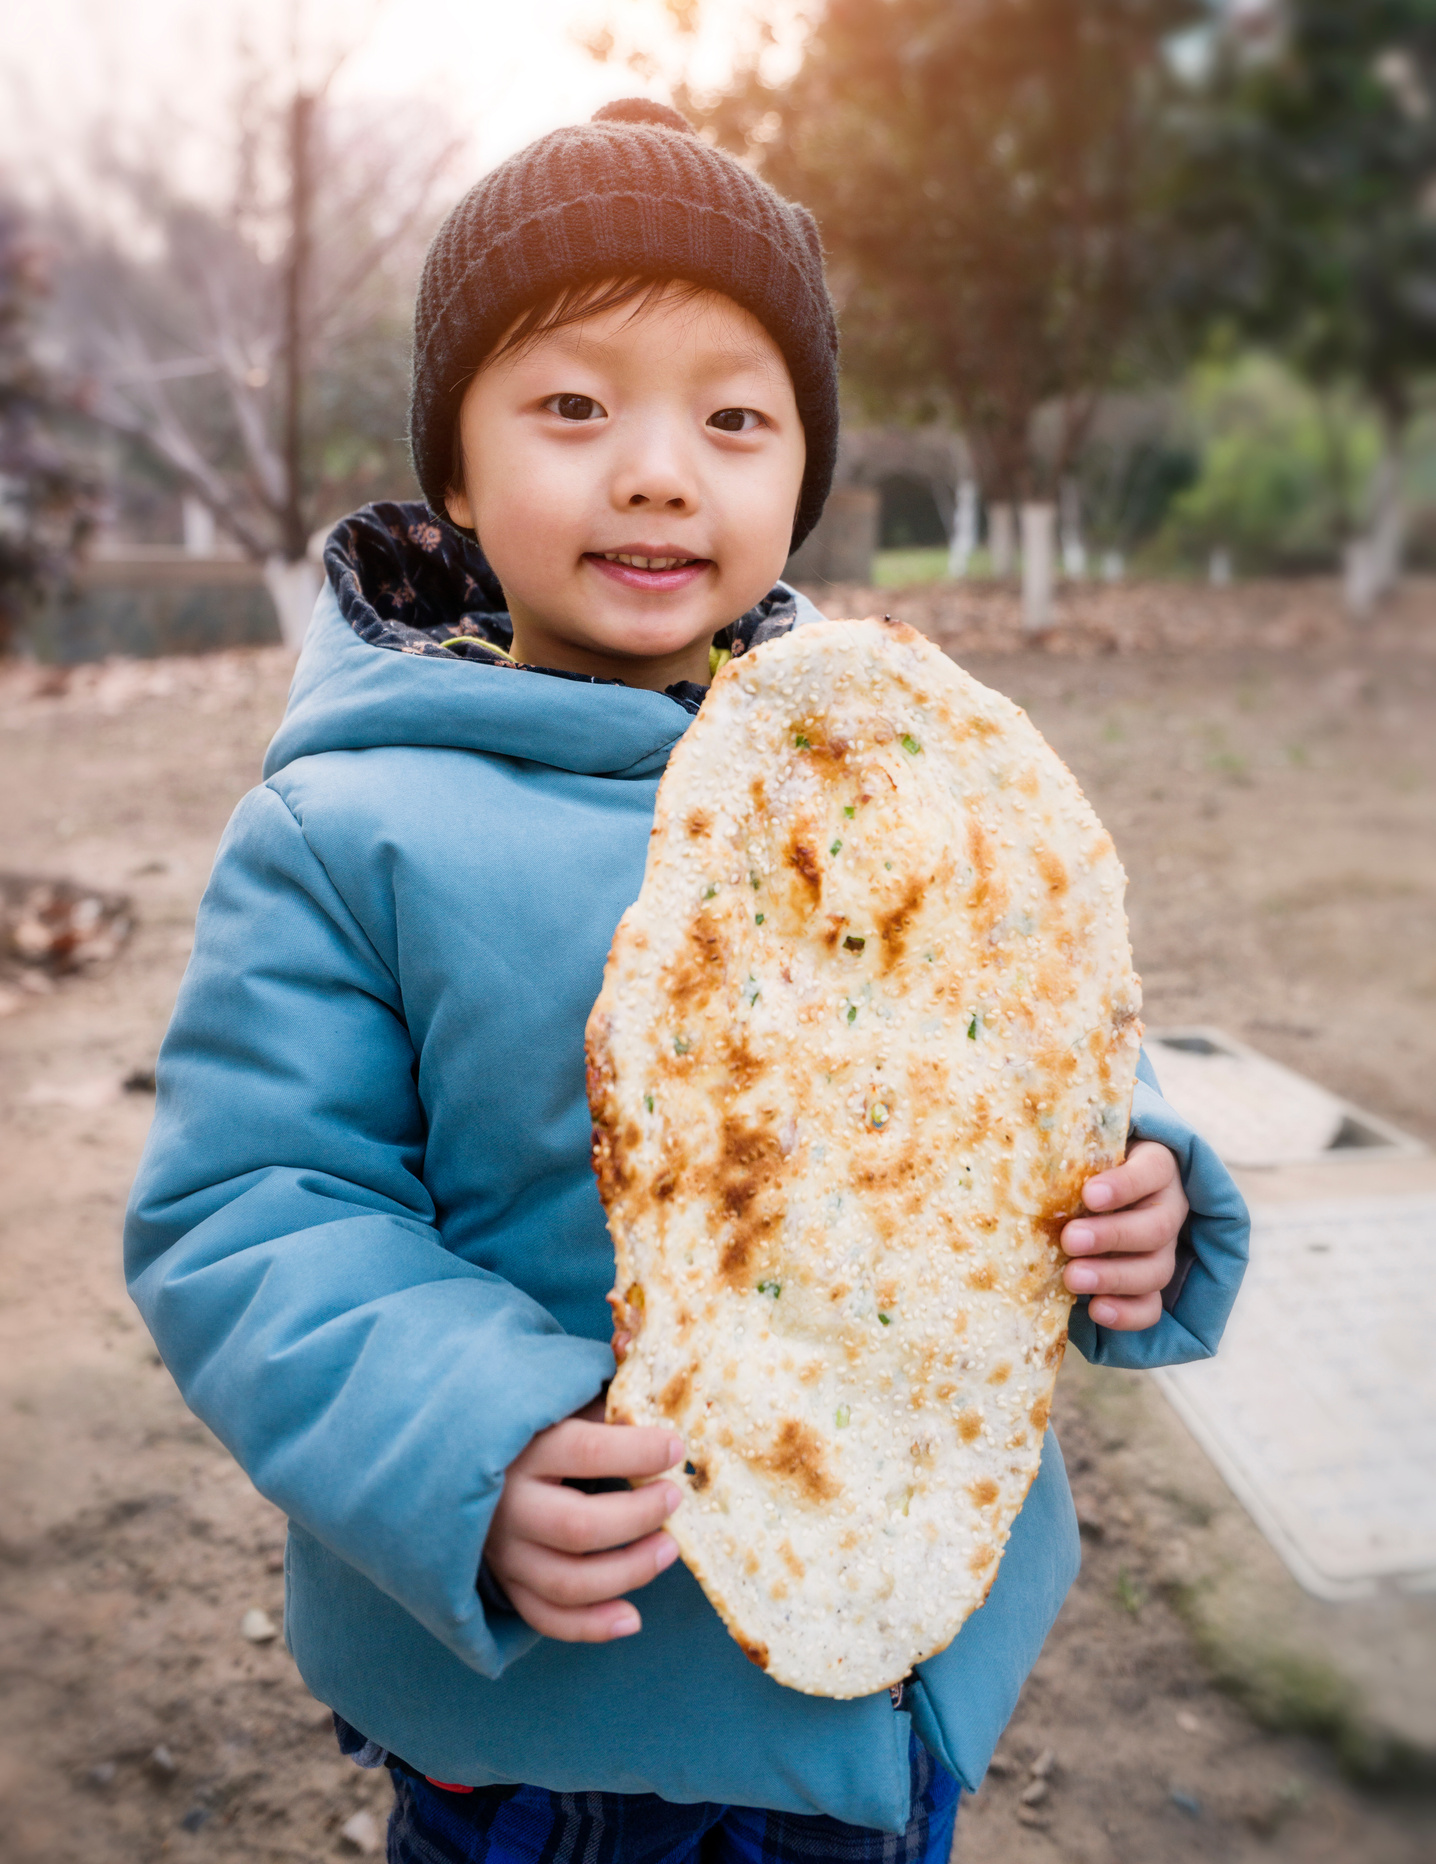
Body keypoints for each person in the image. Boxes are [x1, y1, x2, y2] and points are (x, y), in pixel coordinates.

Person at [124, 99, 1248, 1864]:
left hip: (895, 1667)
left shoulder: (887, 773)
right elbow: (254, 1206)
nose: (659, 469)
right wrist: (465, 1444)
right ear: (458, 476)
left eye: (734, 418)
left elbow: (1008, 1047)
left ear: (800, 471)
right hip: (568, 1724)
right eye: (574, 407)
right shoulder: (355, 826)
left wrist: (1143, 1191)